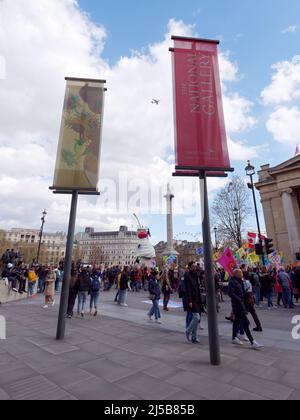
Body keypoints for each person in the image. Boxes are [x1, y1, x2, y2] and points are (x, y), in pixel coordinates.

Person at [228, 269, 263, 349]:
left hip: (241, 304)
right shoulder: (233, 282)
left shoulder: (239, 281)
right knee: (245, 322)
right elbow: (231, 293)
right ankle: (252, 342)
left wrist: (247, 296)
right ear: (236, 274)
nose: (242, 275)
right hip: (237, 305)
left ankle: (234, 337)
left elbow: (242, 292)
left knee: (236, 321)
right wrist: (239, 299)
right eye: (240, 273)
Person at [185, 262, 203, 344]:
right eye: (193, 266)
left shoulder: (196, 275)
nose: (195, 267)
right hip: (192, 299)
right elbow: (188, 289)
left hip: (198, 298)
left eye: (195, 266)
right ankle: (188, 330)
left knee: (196, 319)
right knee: (196, 317)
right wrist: (189, 301)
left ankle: (194, 337)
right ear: (189, 267)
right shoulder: (187, 275)